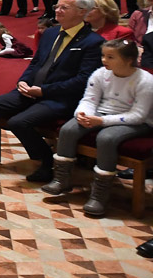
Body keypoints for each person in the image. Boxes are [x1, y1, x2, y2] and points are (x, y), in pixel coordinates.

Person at [0, 0, 104, 181]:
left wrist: (44, 91)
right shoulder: (51, 33)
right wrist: (23, 81)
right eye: (57, 6)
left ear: (82, 12)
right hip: (31, 90)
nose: (57, 11)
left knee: (19, 122)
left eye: (64, 8)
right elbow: (36, 63)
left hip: (60, 97)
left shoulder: (93, 42)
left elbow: (83, 80)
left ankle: (46, 163)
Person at [38, 38, 153, 217]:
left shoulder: (145, 81)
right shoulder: (100, 74)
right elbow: (89, 99)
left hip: (136, 122)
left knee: (106, 138)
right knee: (68, 130)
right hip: (101, 114)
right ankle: (61, 179)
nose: (104, 60)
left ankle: (100, 195)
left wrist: (102, 122)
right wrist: (82, 114)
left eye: (110, 57)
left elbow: (138, 115)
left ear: (129, 60)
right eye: (103, 56)